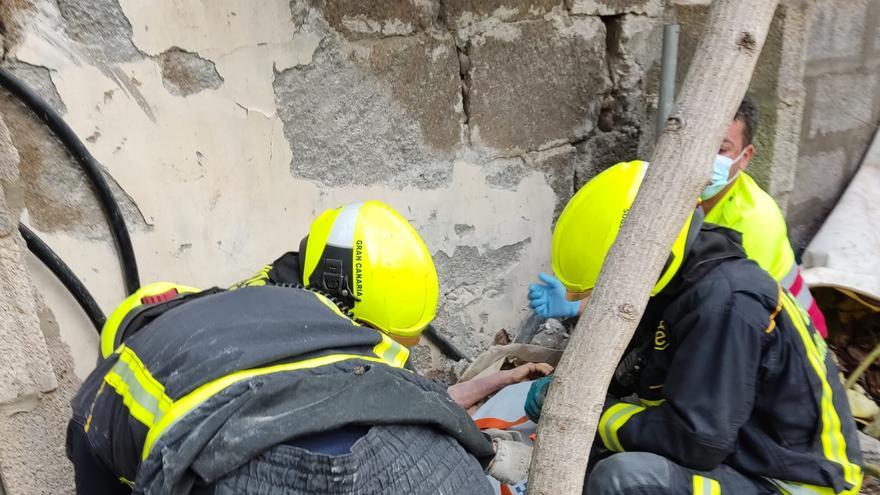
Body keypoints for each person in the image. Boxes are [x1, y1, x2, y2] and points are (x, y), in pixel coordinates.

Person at [68, 201, 525, 495]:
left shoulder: (111, 392)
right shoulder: (303, 319)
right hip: (431, 471)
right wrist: (475, 442)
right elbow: (362, 396)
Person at [524, 162, 862, 493]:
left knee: (624, 478)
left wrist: (584, 412)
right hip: (744, 457)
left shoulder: (723, 303)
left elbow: (696, 442)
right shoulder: (683, 277)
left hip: (793, 484)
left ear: (642, 260)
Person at [529, 97, 829, 337]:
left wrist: (584, 306)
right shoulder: (667, 190)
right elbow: (641, 272)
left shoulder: (755, 221)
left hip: (788, 334)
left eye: (722, 149)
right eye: (700, 143)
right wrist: (577, 299)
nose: (705, 157)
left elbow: (716, 311)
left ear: (746, 156)